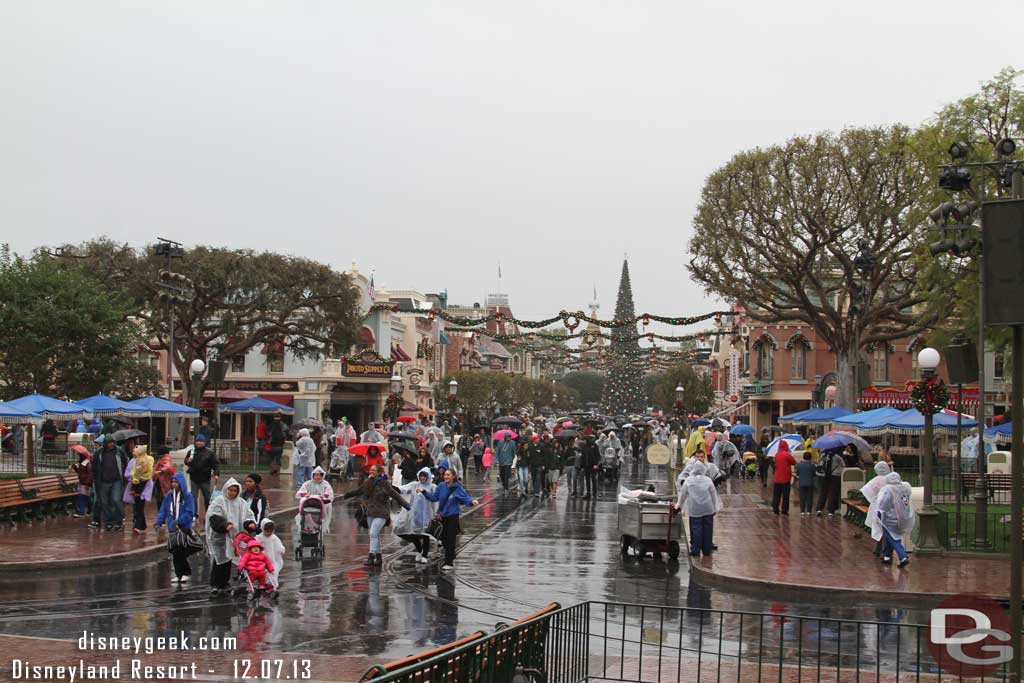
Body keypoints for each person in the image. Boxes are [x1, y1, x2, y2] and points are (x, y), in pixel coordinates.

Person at [343, 464, 410, 566]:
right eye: (371, 470)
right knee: (375, 535)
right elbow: (359, 491)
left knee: (373, 533)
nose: (371, 472)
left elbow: (395, 495)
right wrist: (347, 495)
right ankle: (378, 558)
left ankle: (371, 556)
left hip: (382, 513)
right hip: (370, 512)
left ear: (379, 472)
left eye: (374, 470)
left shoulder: (385, 484)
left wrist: (406, 505)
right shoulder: (368, 483)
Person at [419, 468, 480, 570]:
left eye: (448, 475)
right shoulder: (441, 486)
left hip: (453, 516)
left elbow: (465, 498)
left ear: (453, 477)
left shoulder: (457, 487)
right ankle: (451, 553)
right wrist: (424, 492)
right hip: (442, 517)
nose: (446, 477)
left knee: (450, 539)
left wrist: (472, 501)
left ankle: (449, 562)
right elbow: (434, 497)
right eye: (445, 475)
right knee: (443, 539)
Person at [205, 478, 255, 596]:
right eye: (230, 490)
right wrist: (224, 525)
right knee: (220, 560)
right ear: (226, 489)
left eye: (234, 491)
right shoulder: (219, 501)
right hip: (221, 536)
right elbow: (214, 517)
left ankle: (225, 582)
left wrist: (250, 524)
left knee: (229, 559)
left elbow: (248, 515)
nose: (232, 493)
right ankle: (215, 584)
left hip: (234, 536)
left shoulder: (241, 503)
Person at [155, 472, 198, 583]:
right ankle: (180, 574)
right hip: (172, 528)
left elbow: (190, 512)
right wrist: (158, 522)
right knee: (176, 552)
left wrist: (179, 521)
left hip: (183, 528)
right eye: (172, 482)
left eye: (176, 482)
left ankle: (185, 572)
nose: (174, 484)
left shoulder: (187, 496)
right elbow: (163, 510)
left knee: (180, 551)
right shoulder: (169, 496)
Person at [674, 461, 722, 557]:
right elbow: (713, 494)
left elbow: (683, 495)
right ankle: (706, 550)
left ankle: (696, 550)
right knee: (708, 529)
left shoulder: (688, 480)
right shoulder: (708, 480)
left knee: (696, 529)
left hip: (694, 509)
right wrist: (716, 508)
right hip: (708, 509)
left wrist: (678, 505)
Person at [874, 472, 914, 567]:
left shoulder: (889, 489)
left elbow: (884, 504)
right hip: (903, 517)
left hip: (890, 518)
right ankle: (887, 556)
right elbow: (906, 503)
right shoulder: (905, 487)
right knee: (889, 535)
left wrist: (879, 510)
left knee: (892, 537)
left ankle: (903, 556)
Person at [398, 467, 437, 564]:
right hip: (415, 515)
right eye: (421, 476)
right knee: (414, 534)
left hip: (427, 515)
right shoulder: (414, 485)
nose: (422, 478)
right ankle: (419, 550)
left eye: (424, 476)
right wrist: (393, 487)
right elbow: (404, 489)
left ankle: (425, 555)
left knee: (425, 535)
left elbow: (436, 501)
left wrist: (436, 513)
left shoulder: (432, 487)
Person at [90, 435, 126, 531]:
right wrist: (96, 478)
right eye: (109, 443)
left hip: (116, 480)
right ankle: (108, 521)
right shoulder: (98, 453)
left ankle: (119, 521)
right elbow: (94, 467)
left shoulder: (119, 451)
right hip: (103, 481)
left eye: (112, 442)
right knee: (104, 502)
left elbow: (125, 462)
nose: (111, 444)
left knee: (116, 500)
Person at [185, 434, 219, 521]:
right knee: (193, 497)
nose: (199, 443)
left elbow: (215, 464)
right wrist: (187, 461)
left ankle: (208, 513)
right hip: (194, 477)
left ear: (204, 442)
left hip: (205, 478)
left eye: (201, 441)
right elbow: (186, 461)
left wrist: (216, 474)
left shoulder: (210, 453)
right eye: (198, 441)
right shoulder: (192, 451)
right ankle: (194, 514)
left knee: (207, 497)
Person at [861, 461, 893, 556]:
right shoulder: (890, 479)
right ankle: (884, 551)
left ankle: (878, 548)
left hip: (877, 507)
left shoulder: (876, 480)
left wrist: (873, 499)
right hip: (888, 507)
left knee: (879, 528)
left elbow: (866, 490)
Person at [126, 445, 154, 534]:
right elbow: (128, 472)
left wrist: (136, 476)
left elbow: (147, 472)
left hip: (142, 485)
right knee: (138, 505)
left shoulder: (145, 460)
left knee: (139, 505)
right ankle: (141, 524)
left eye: (135, 451)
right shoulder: (134, 461)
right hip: (136, 484)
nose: (133, 453)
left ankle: (138, 525)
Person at [296, 466, 334, 532]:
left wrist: (324, 496)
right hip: (309, 503)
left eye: (320, 475)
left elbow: (329, 493)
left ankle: (323, 525)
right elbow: (301, 492)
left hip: (321, 504)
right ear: (313, 475)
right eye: (316, 475)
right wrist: (305, 495)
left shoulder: (326, 484)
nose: (318, 477)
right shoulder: (307, 483)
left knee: (328, 506)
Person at [815, 447, 844, 517]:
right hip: (835, 476)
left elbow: (820, 464)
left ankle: (819, 509)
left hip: (824, 476)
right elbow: (843, 464)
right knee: (832, 493)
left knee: (823, 493)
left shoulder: (823, 455)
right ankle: (830, 511)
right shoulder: (837, 456)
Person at [259, 519, 285, 593]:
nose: (269, 533)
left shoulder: (274, 538)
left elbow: (279, 545)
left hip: (274, 560)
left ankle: (273, 585)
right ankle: (267, 584)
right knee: (265, 573)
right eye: (267, 531)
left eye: (271, 531)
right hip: (263, 559)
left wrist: (281, 550)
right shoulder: (259, 538)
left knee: (274, 572)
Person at [772, 440, 796, 515]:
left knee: (776, 495)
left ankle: (775, 509)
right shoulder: (787, 455)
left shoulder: (777, 455)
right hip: (785, 478)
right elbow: (794, 462)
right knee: (785, 495)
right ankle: (784, 510)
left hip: (777, 478)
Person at [69, 446, 93, 517]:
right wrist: (75, 468)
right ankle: (90, 510)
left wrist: (88, 482)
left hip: (86, 483)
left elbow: (90, 473)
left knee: (81, 496)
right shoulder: (82, 463)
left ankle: (81, 512)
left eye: (79, 455)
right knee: (86, 497)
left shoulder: (87, 463)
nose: (78, 456)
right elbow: (80, 473)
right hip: (82, 482)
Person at [152, 446, 175, 513]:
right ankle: (162, 516)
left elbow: (168, 467)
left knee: (162, 499)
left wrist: (160, 471)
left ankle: (162, 516)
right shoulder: (163, 458)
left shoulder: (165, 458)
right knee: (161, 499)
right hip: (161, 482)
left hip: (164, 482)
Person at [579, 435, 600, 499]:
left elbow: (597, 455)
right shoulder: (584, 447)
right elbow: (583, 457)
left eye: (585, 440)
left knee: (593, 479)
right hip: (586, 466)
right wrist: (582, 466)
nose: (584, 441)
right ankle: (588, 493)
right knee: (587, 480)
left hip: (593, 465)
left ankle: (594, 494)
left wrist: (596, 464)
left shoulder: (594, 446)